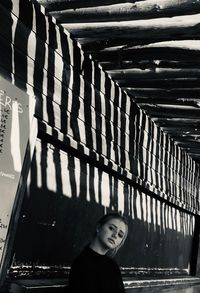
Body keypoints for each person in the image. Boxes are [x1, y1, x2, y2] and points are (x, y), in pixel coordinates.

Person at [69, 212, 128, 293]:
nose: (115, 235)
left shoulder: (113, 266)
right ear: (98, 227)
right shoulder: (81, 263)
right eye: (111, 228)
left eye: (120, 235)